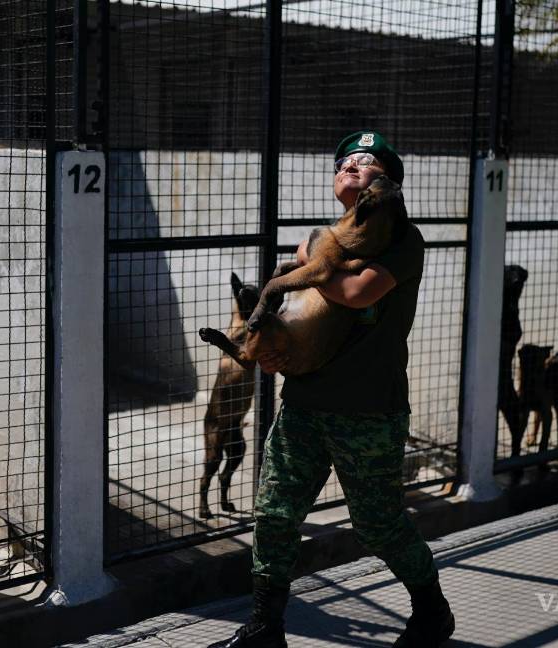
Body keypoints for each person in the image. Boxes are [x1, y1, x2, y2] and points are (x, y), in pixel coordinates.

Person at [208, 132, 454, 648]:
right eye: (345, 163)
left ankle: (432, 612)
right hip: (303, 402)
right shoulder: (328, 238)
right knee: (274, 513)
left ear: (386, 185)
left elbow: (357, 290)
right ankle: (264, 627)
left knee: (378, 523)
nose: (352, 168)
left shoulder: (403, 240)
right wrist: (276, 352)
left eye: (366, 164)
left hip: (367, 410)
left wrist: (309, 257)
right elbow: (298, 315)